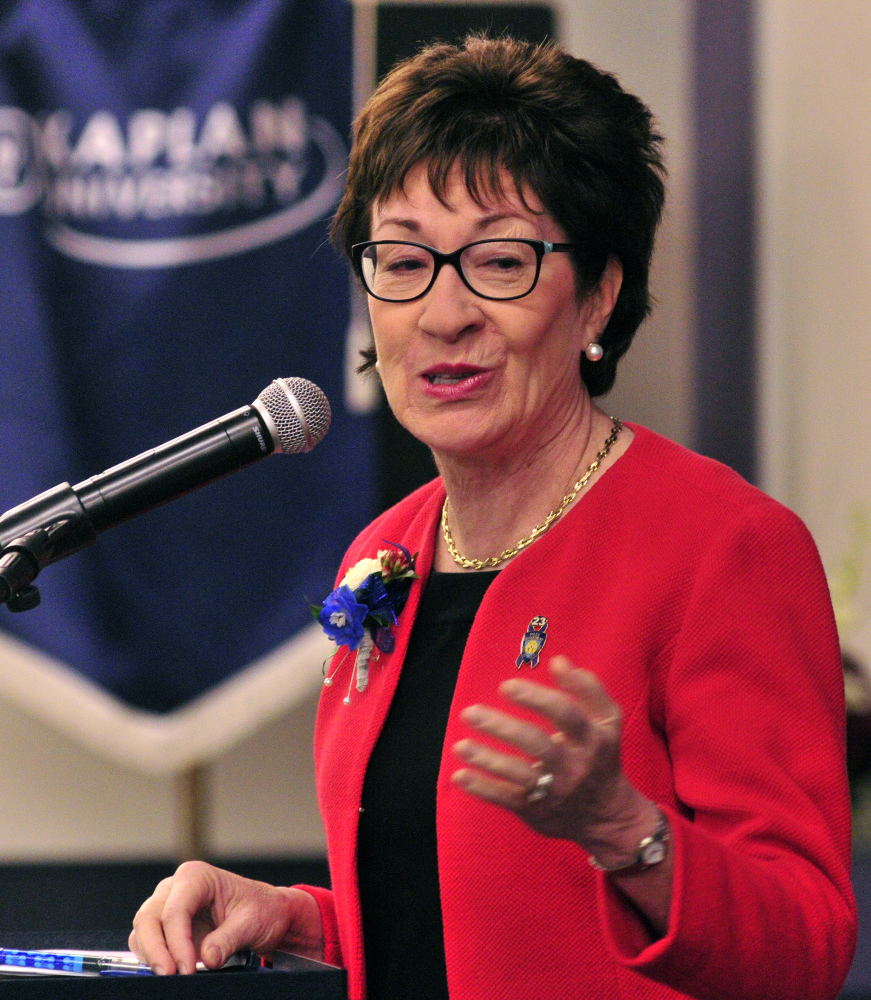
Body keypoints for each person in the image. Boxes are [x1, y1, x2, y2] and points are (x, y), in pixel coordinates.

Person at [129, 36, 856, 1000]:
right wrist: (304, 919)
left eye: (500, 261)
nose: (443, 312)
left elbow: (804, 949)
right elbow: (471, 919)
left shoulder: (722, 548)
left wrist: (625, 834)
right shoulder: (383, 553)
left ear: (598, 294)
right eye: (403, 259)